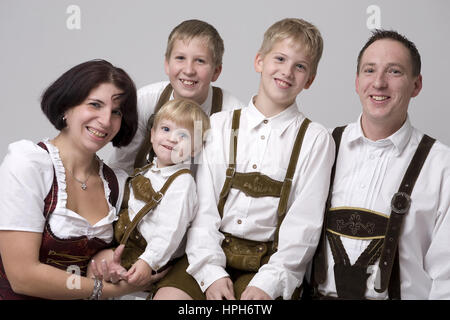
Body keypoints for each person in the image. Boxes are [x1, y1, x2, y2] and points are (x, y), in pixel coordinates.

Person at [153, 18, 335, 300]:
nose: (287, 71)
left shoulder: (315, 139)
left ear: (309, 80)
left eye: (300, 66)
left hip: (268, 265)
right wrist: (210, 271)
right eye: (280, 59)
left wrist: (269, 283)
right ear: (259, 61)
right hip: (209, 253)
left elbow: (304, 227)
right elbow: (203, 209)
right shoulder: (220, 124)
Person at [0, 59, 165, 300]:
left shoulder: (116, 184)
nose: (106, 120)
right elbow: (23, 276)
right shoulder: (29, 165)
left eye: (116, 111)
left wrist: (107, 258)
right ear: (66, 107)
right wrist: (108, 290)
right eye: (95, 105)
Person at [310, 30, 450, 300]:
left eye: (394, 72)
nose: (379, 83)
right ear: (357, 81)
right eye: (369, 70)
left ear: (416, 85)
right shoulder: (321, 146)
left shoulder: (442, 166)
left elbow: (447, 278)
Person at [89, 99, 210, 300]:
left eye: (183, 136)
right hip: (128, 244)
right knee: (96, 265)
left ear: (195, 149)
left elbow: (170, 231)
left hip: (153, 255)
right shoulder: (148, 171)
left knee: (114, 279)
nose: (172, 139)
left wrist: (148, 262)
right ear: (152, 135)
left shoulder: (182, 183)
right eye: (165, 129)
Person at [108, 19, 245, 175]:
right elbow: (121, 167)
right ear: (167, 64)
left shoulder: (234, 115)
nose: (188, 70)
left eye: (200, 61)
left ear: (216, 72)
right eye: (180, 58)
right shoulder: (145, 102)